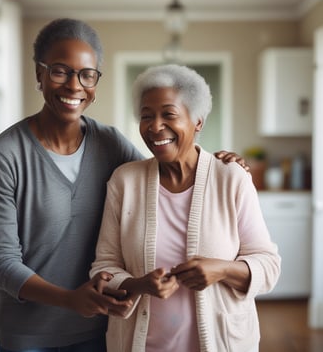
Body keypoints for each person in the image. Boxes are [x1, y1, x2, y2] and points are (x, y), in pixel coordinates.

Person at [0, 18, 249, 352]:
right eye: (60, 71)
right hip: (29, 335)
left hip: (100, 328)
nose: (74, 86)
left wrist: (221, 164)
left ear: (95, 81)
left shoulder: (110, 143)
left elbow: (161, 171)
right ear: (39, 73)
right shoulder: (4, 155)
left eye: (87, 74)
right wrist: (70, 300)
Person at [90, 64, 281, 352]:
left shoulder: (231, 178)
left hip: (222, 343)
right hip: (139, 344)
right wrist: (139, 284)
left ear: (198, 121)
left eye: (169, 114)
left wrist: (223, 270)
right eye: (146, 116)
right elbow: (104, 266)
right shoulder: (124, 181)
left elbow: (269, 266)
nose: (155, 126)